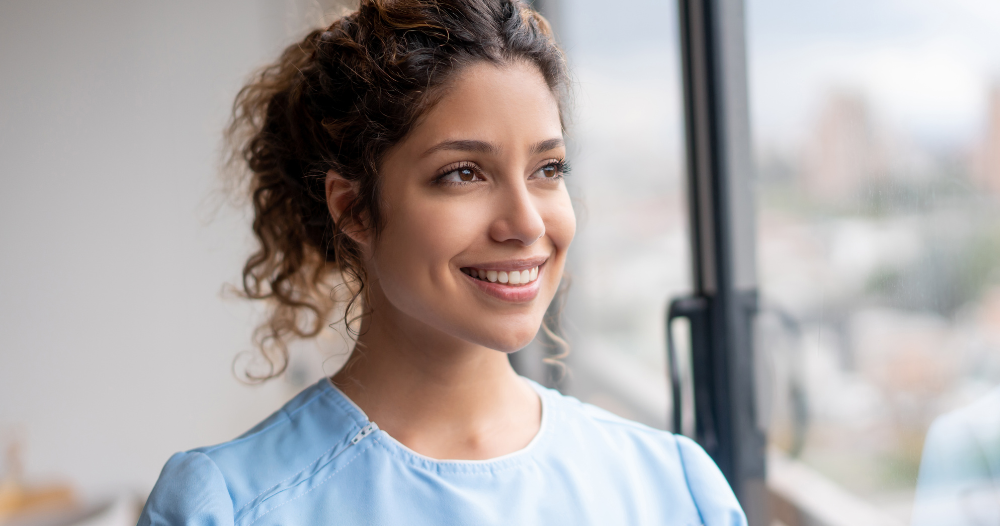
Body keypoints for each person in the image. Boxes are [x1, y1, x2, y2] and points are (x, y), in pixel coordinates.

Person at [137, 1, 746, 524]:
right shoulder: (230, 507)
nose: (528, 224)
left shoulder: (672, 489)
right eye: (463, 173)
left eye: (547, 169)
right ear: (354, 210)